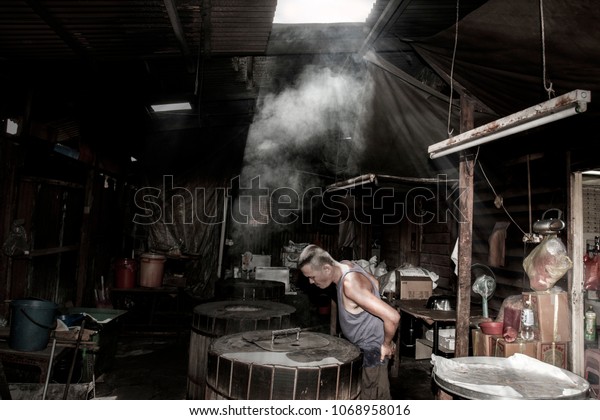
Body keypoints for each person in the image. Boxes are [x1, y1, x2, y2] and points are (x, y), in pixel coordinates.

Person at [298, 244, 400, 399]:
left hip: (372, 353)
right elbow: (375, 282)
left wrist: (386, 344)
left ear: (326, 268)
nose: (311, 282)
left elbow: (393, 317)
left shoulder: (349, 284)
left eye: (312, 277)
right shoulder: (347, 264)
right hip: (364, 348)